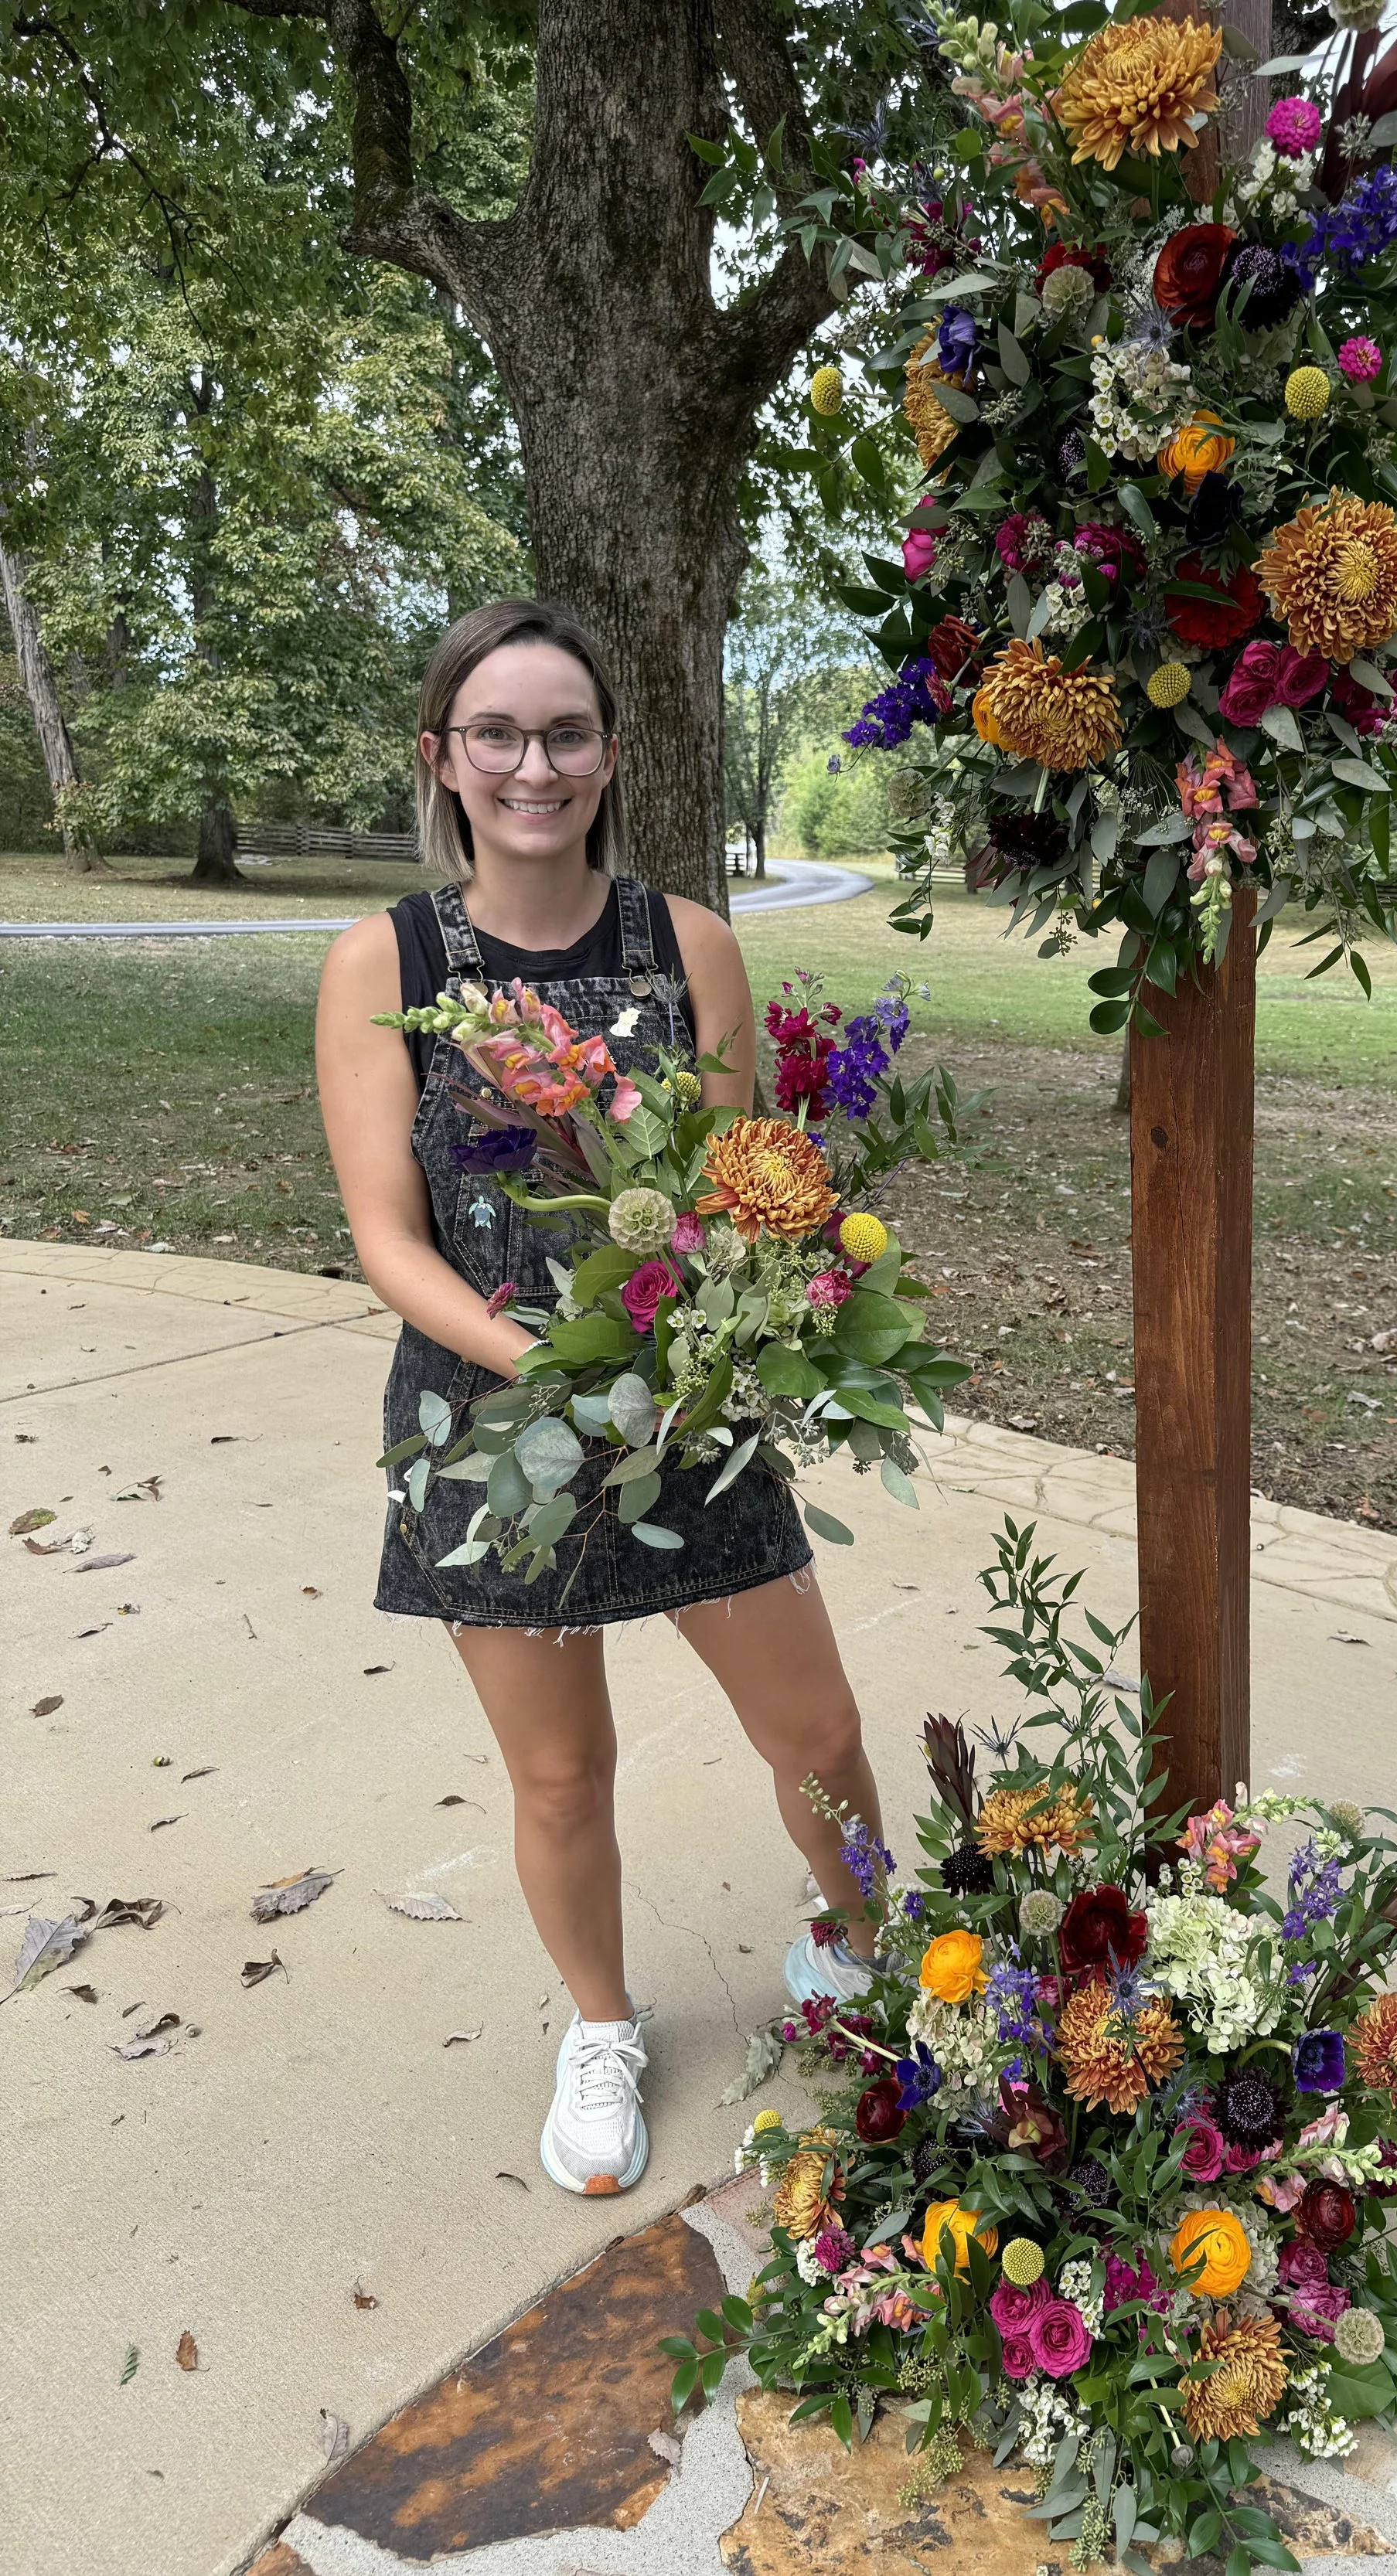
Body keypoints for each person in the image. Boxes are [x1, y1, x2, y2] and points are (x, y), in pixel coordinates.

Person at [315, 597, 881, 2200]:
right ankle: (599, 2023)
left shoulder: (681, 943)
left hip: (688, 1408)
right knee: (561, 1773)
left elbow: (729, 1188)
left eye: (563, 732)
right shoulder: (391, 961)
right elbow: (385, 1233)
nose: (530, 765)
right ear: (442, 756)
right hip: (498, 1432)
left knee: (819, 1725)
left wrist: (707, 1346)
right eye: (495, 733)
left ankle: (864, 1946)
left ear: (610, 755)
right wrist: (556, 1371)